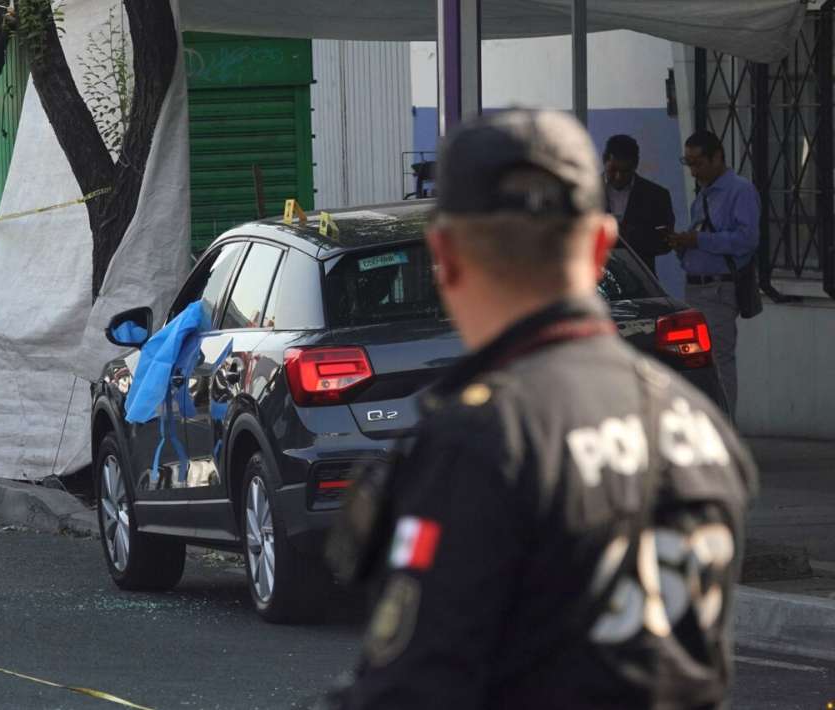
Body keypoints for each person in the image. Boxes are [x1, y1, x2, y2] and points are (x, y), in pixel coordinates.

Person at [322, 111, 756, 708]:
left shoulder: (479, 442)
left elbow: (412, 688)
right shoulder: (699, 429)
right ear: (603, 244)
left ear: (444, 256)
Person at [667, 130, 760, 421]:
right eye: (689, 164)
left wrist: (699, 242)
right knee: (694, 365)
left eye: (698, 163)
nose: (694, 171)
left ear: (717, 156)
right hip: (695, 287)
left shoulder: (739, 191)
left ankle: (726, 429)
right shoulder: (703, 194)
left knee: (718, 362)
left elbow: (747, 240)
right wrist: (682, 246)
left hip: (719, 290)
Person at [602, 134, 674, 274]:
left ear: (636, 164)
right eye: (613, 170)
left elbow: (665, 243)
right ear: (604, 160)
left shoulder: (657, 196)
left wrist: (630, 235)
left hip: (640, 283)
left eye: (625, 172)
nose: (618, 177)